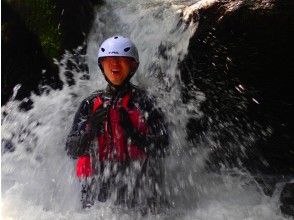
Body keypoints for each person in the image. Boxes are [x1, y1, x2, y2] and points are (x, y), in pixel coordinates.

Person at [65, 36, 169, 212]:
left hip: (138, 183)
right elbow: (71, 150)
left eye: (122, 60)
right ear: (102, 65)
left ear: (132, 66)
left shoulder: (145, 102)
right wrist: (90, 131)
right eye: (109, 61)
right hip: (99, 187)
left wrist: (133, 133)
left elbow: (164, 145)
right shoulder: (90, 104)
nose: (115, 65)